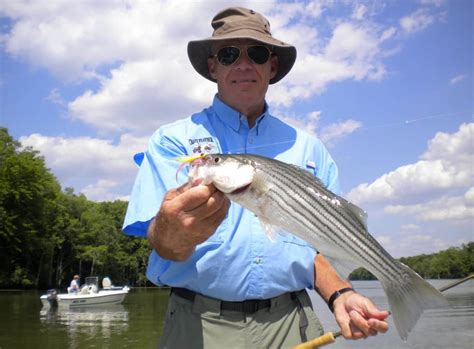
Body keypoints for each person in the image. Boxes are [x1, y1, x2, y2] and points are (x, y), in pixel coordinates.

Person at [123, 6, 389, 348]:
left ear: (272, 66)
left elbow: (322, 245)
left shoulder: (310, 148)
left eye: (258, 53)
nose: (244, 65)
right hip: (197, 323)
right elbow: (163, 244)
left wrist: (341, 295)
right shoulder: (172, 139)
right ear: (213, 66)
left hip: (291, 321)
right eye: (230, 54)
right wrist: (176, 231)